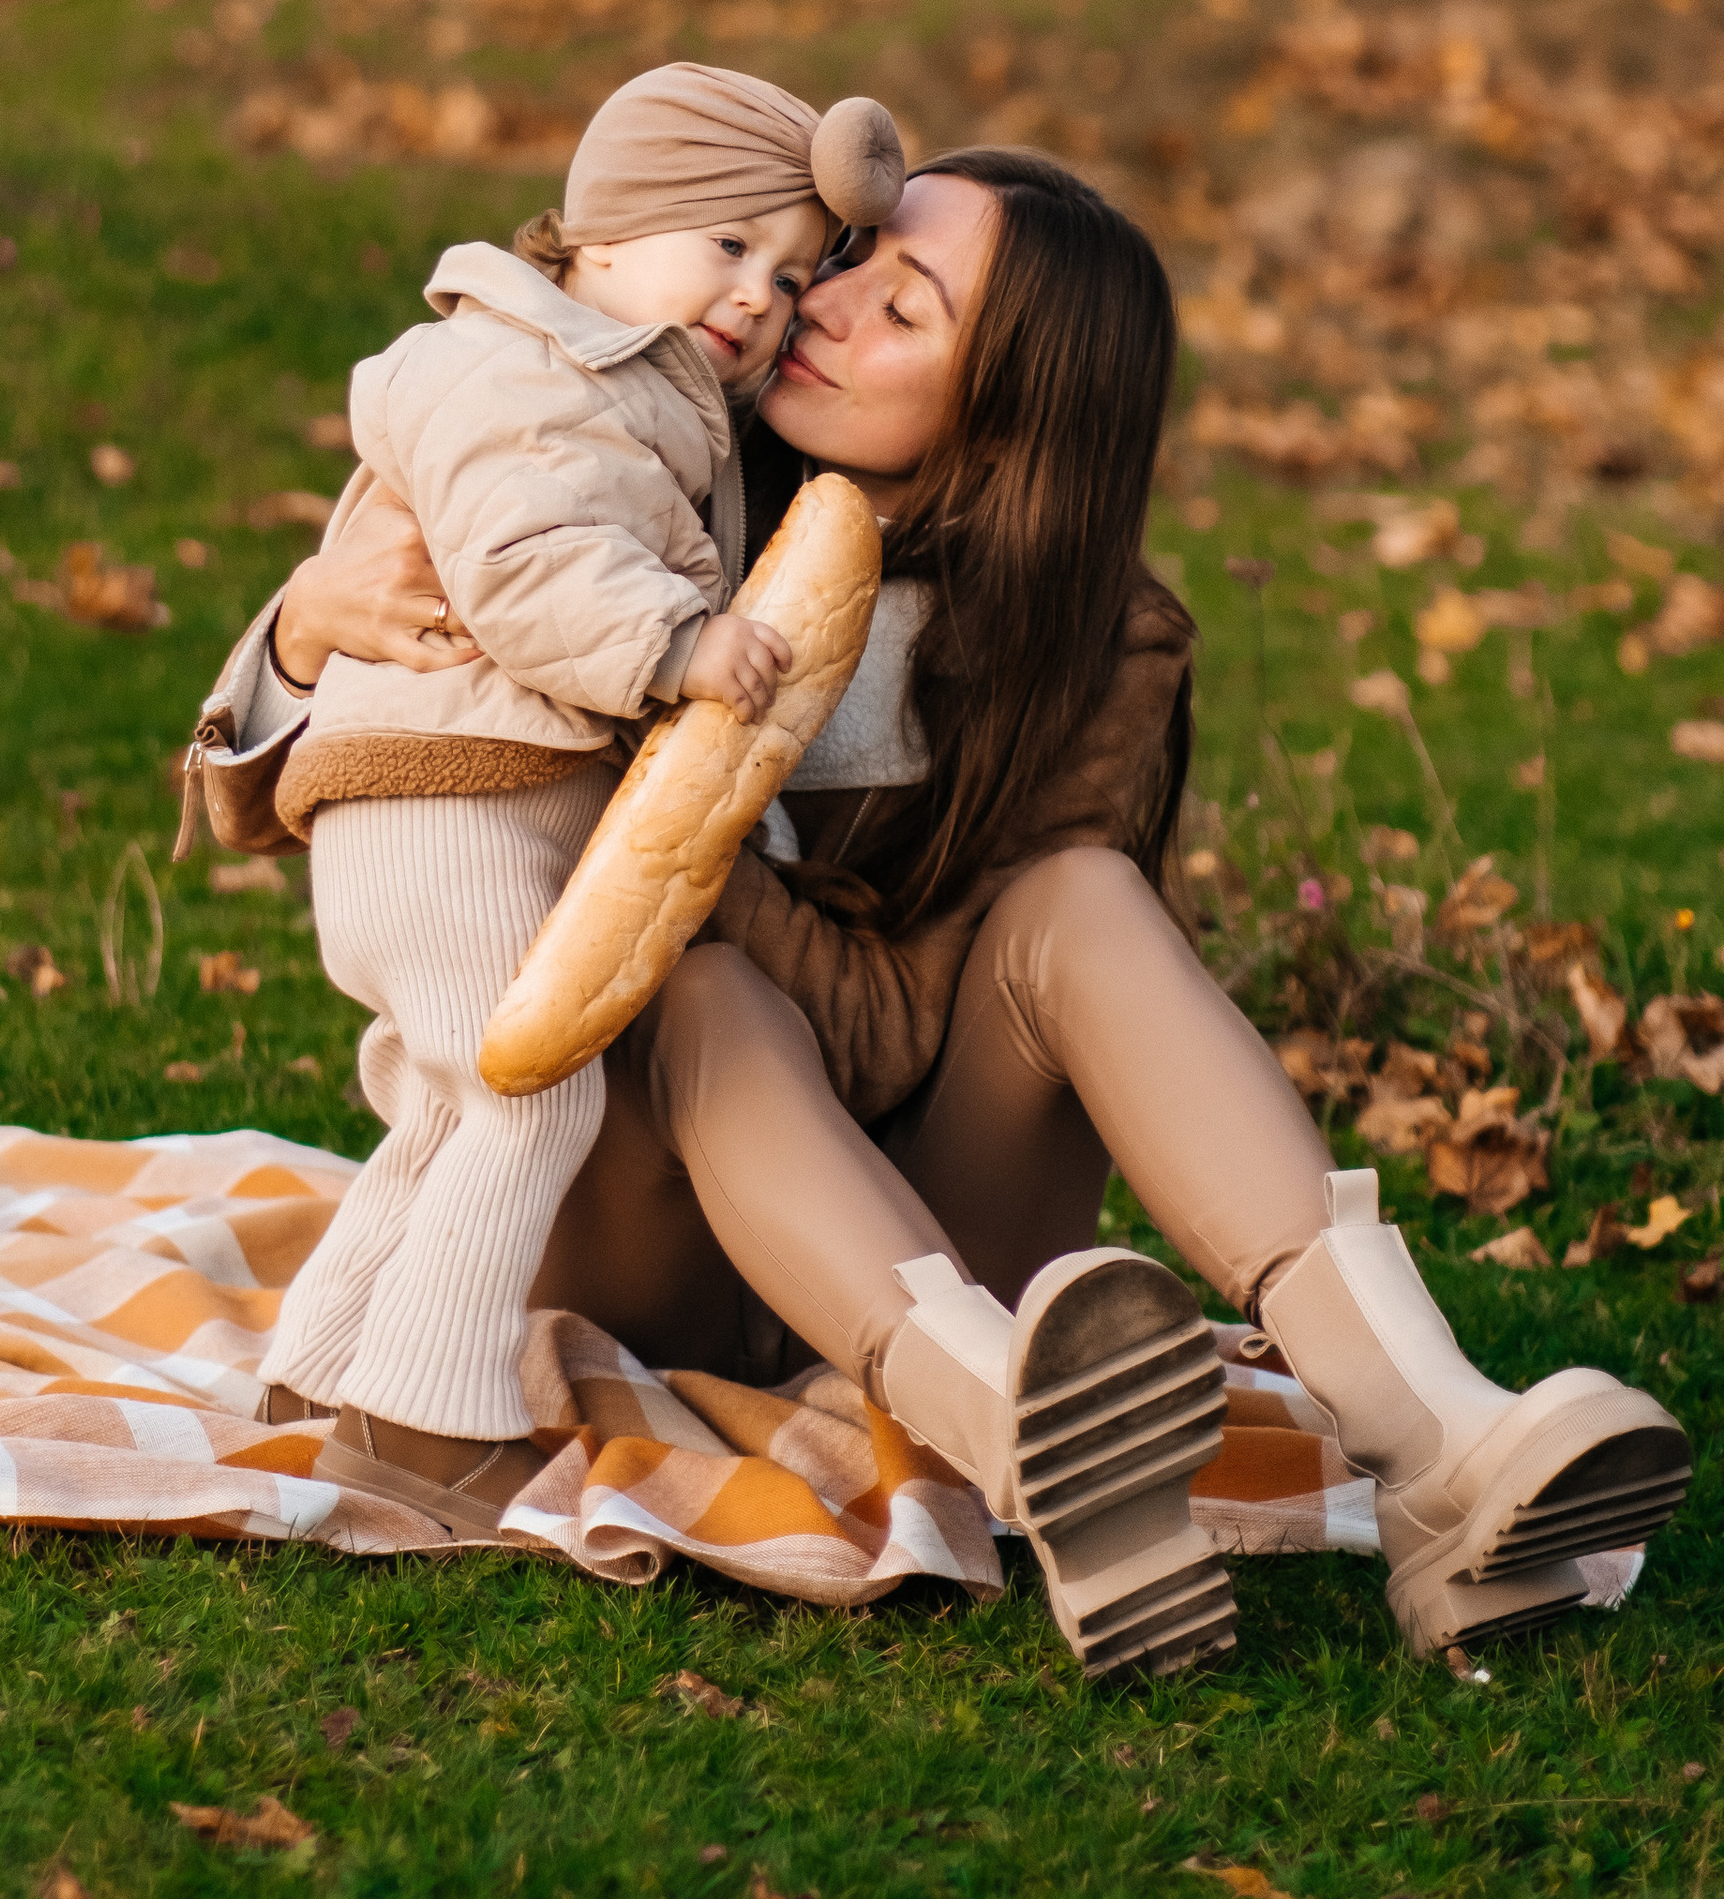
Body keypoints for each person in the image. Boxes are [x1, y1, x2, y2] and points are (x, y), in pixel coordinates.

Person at [254, 146, 1692, 1674]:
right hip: (629, 1229)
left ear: (1007, 411)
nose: (821, 299)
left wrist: (681, 807)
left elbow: (894, 1037)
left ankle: (1437, 1444)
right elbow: (340, 765)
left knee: (1078, 899)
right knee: (697, 991)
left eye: (904, 305)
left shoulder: (1100, 649)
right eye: (853, 259)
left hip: (940, 1241)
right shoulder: (655, 483)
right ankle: (1033, 1448)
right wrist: (297, 631)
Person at [182, 64, 903, 1535]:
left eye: (788, 271)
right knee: (530, 1092)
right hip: (444, 802)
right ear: (601, 234)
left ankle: (320, 1373)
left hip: (462, 802)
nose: (763, 299)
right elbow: (527, 561)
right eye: (729, 248)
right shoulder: (533, 373)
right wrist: (677, 646)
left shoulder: (643, 382)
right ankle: (430, 1429)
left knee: (456, 1105)